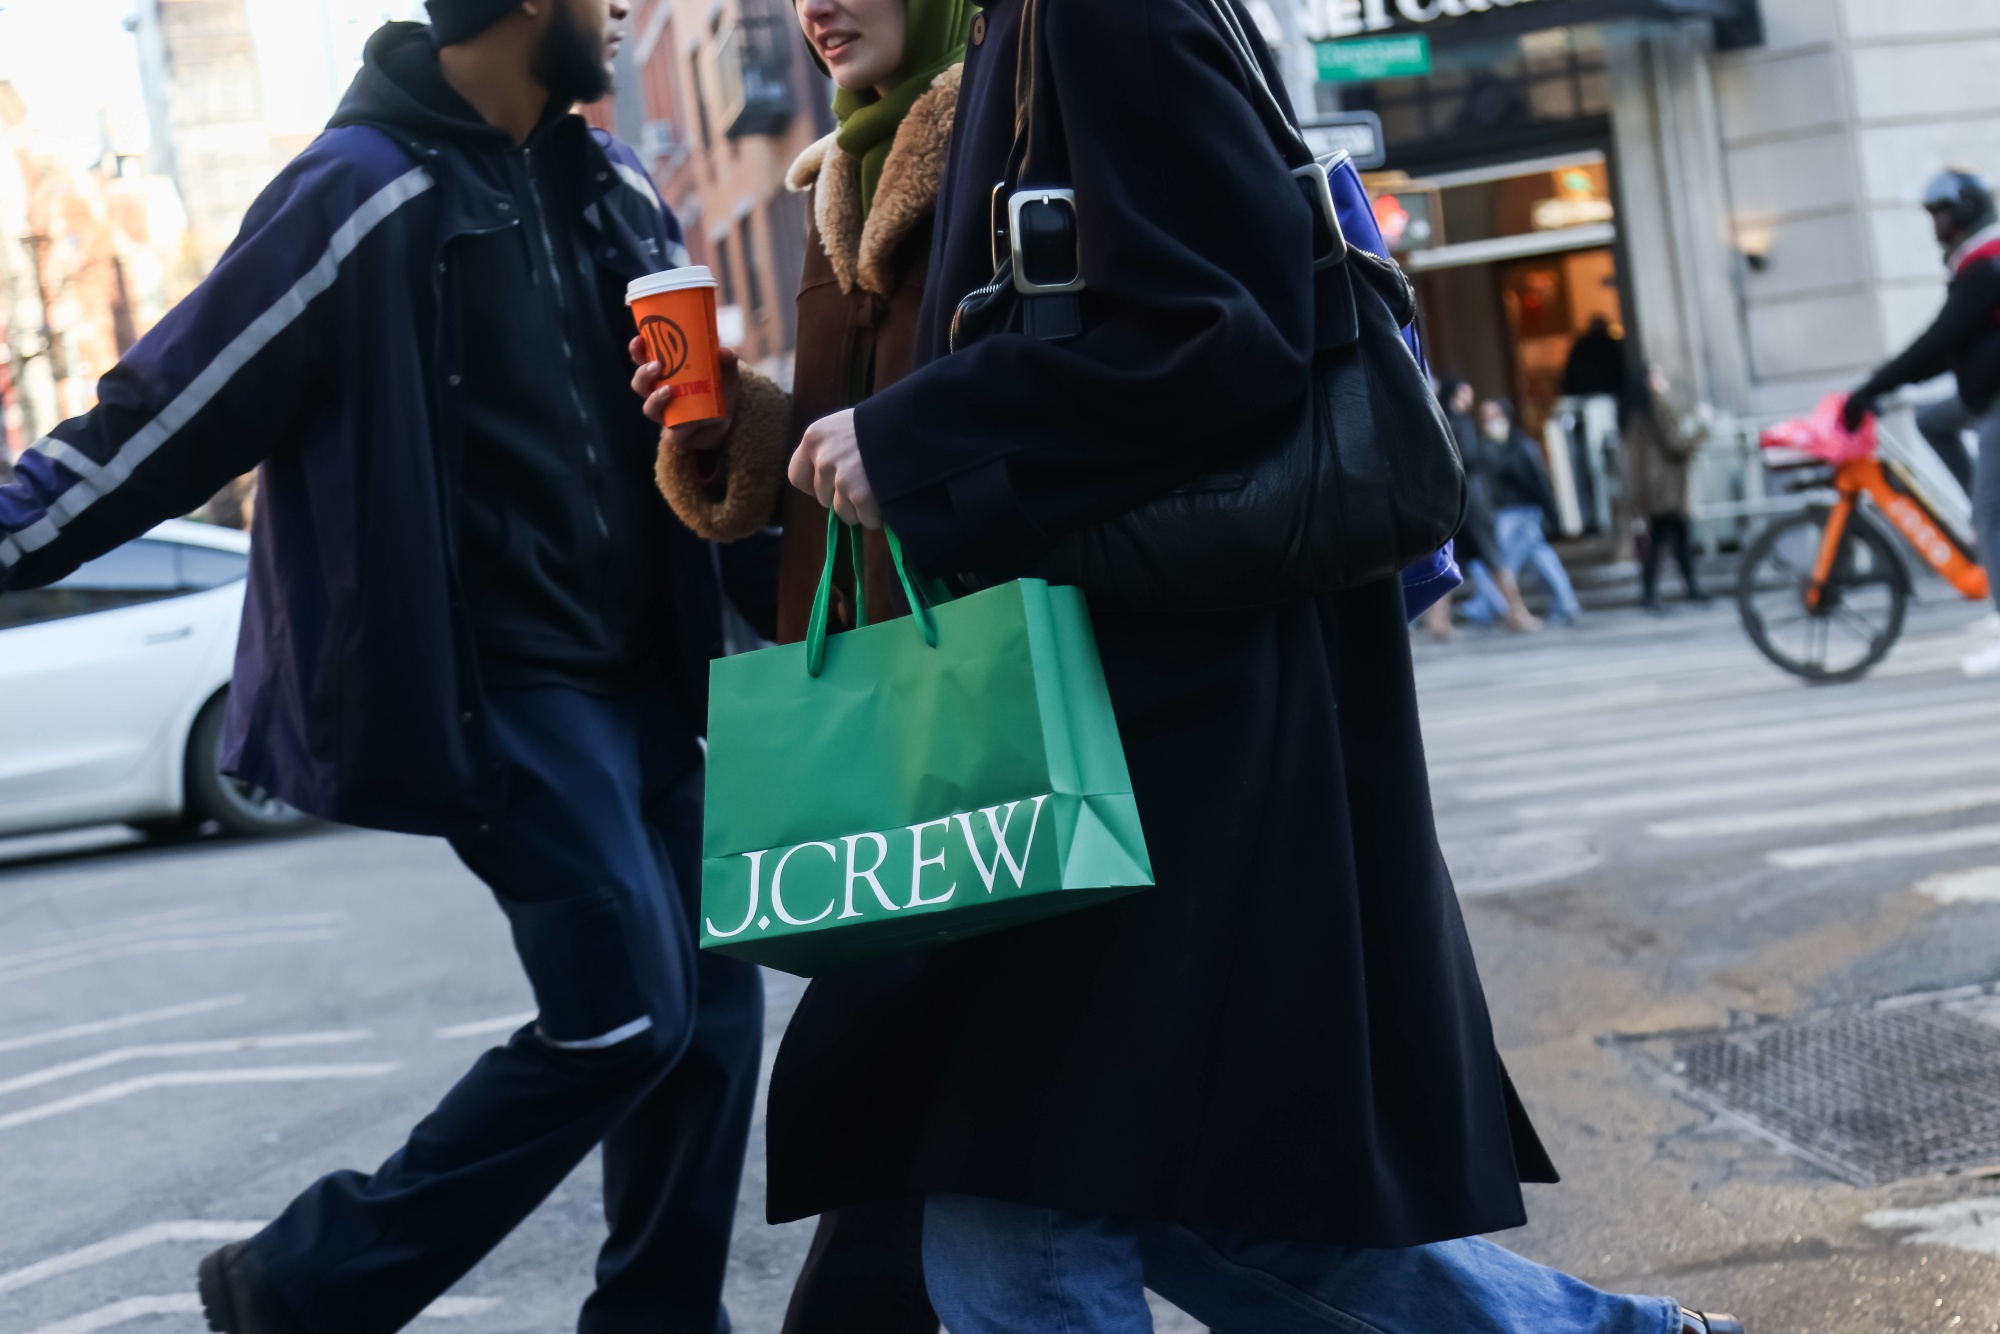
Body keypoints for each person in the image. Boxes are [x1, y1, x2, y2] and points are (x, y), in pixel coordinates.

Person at [668, 0, 1738, 1329]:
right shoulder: (1004, 51)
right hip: (1070, 715)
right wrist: (822, 439)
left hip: (1148, 715)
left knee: (1025, 1196)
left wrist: (924, 433)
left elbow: (1227, 332)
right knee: (1139, 1193)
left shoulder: (1101, 20)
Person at [0, 4, 771, 1331]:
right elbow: (167, 411)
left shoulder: (619, 187)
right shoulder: (356, 195)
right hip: (504, 686)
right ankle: (302, 1283)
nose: (622, 14)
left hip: (650, 679)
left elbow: (683, 435)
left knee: (708, 1017)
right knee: (620, 1016)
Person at [635, 0, 968, 1328]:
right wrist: (728, 424)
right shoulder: (845, 170)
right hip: (892, 698)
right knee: (986, 1155)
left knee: (932, 1123)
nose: (815, 9)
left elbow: (1064, 390)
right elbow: (841, 445)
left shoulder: (1011, 129)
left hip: (989, 687)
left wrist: (907, 442)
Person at [1842, 168, 2000, 676]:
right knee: (1934, 421)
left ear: (1965, 214)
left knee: (1990, 515)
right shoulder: (1976, 267)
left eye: (1941, 214)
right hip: (1983, 398)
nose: (1936, 225)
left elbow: (1937, 340)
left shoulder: (1985, 268)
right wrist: (1882, 386)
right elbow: (1947, 349)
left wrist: (1872, 387)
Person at [1438, 376, 1539, 637]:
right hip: (1473, 504)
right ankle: (1517, 614)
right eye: (1465, 390)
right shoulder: (1461, 423)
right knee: (1496, 561)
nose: (1470, 395)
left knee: (1450, 565)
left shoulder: (1441, 419)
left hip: (1457, 503)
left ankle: (1439, 623)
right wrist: (1492, 445)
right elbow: (1470, 459)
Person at [1483, 396, 1585, 625]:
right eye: (1486, 417)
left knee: (1502, 562)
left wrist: (1553, 514)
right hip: (1508, 513)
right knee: (1539, 558)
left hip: (1521, 513)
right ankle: (1566, 603)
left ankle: (1483, 607)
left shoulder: (1521, 447)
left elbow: (1539, 482)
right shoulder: (1490, 448)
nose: (1488, 422)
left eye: (1493, 416)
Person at [1621, 363, 1711, 611]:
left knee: (1671, 538)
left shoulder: (1638, 410)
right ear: (1649, 381)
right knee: (1666, 539)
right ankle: (1663, 592)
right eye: (1658, 375)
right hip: (1665, 490)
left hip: (1655, 490)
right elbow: (1675, 444)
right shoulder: (1656, 407)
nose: (1663, 379)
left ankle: (1684, 589)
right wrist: (1702, 428)